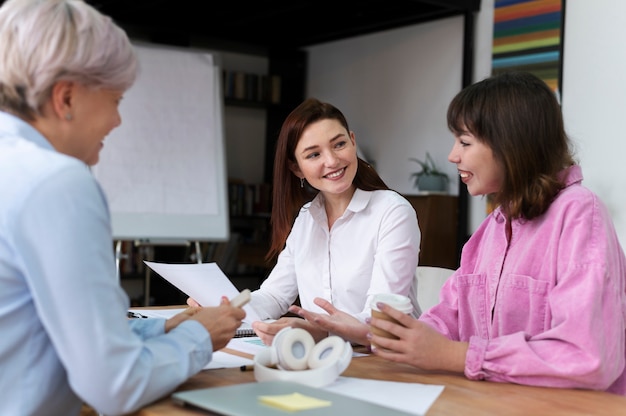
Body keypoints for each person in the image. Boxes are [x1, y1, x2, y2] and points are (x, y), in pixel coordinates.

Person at [0, 1, 245, 415]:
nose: (117, 121)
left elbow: (49, 328)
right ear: (66, 98)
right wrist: (199, 338)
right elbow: (115, 383)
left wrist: (167, 326)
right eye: (115, 99)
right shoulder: (58, 182)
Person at [368, 71, 626, 395]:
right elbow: (448, 320)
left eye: (464, 141)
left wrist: (456, 355)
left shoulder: (579, 213)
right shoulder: (490, 229)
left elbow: (587, 356)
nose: (453, 155)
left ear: (510, 144)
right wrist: (378, 336)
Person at [191, 98, 421, 347]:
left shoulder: (392, 212)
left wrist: (320, 331)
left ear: (353, 142)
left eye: (339, 144)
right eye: (313, 154)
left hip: (386, 360)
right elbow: (274, 296)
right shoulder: (306, 219)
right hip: (325, 359)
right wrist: (223, 306)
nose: (332, 161)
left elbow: (383, 318)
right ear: (296, 168)